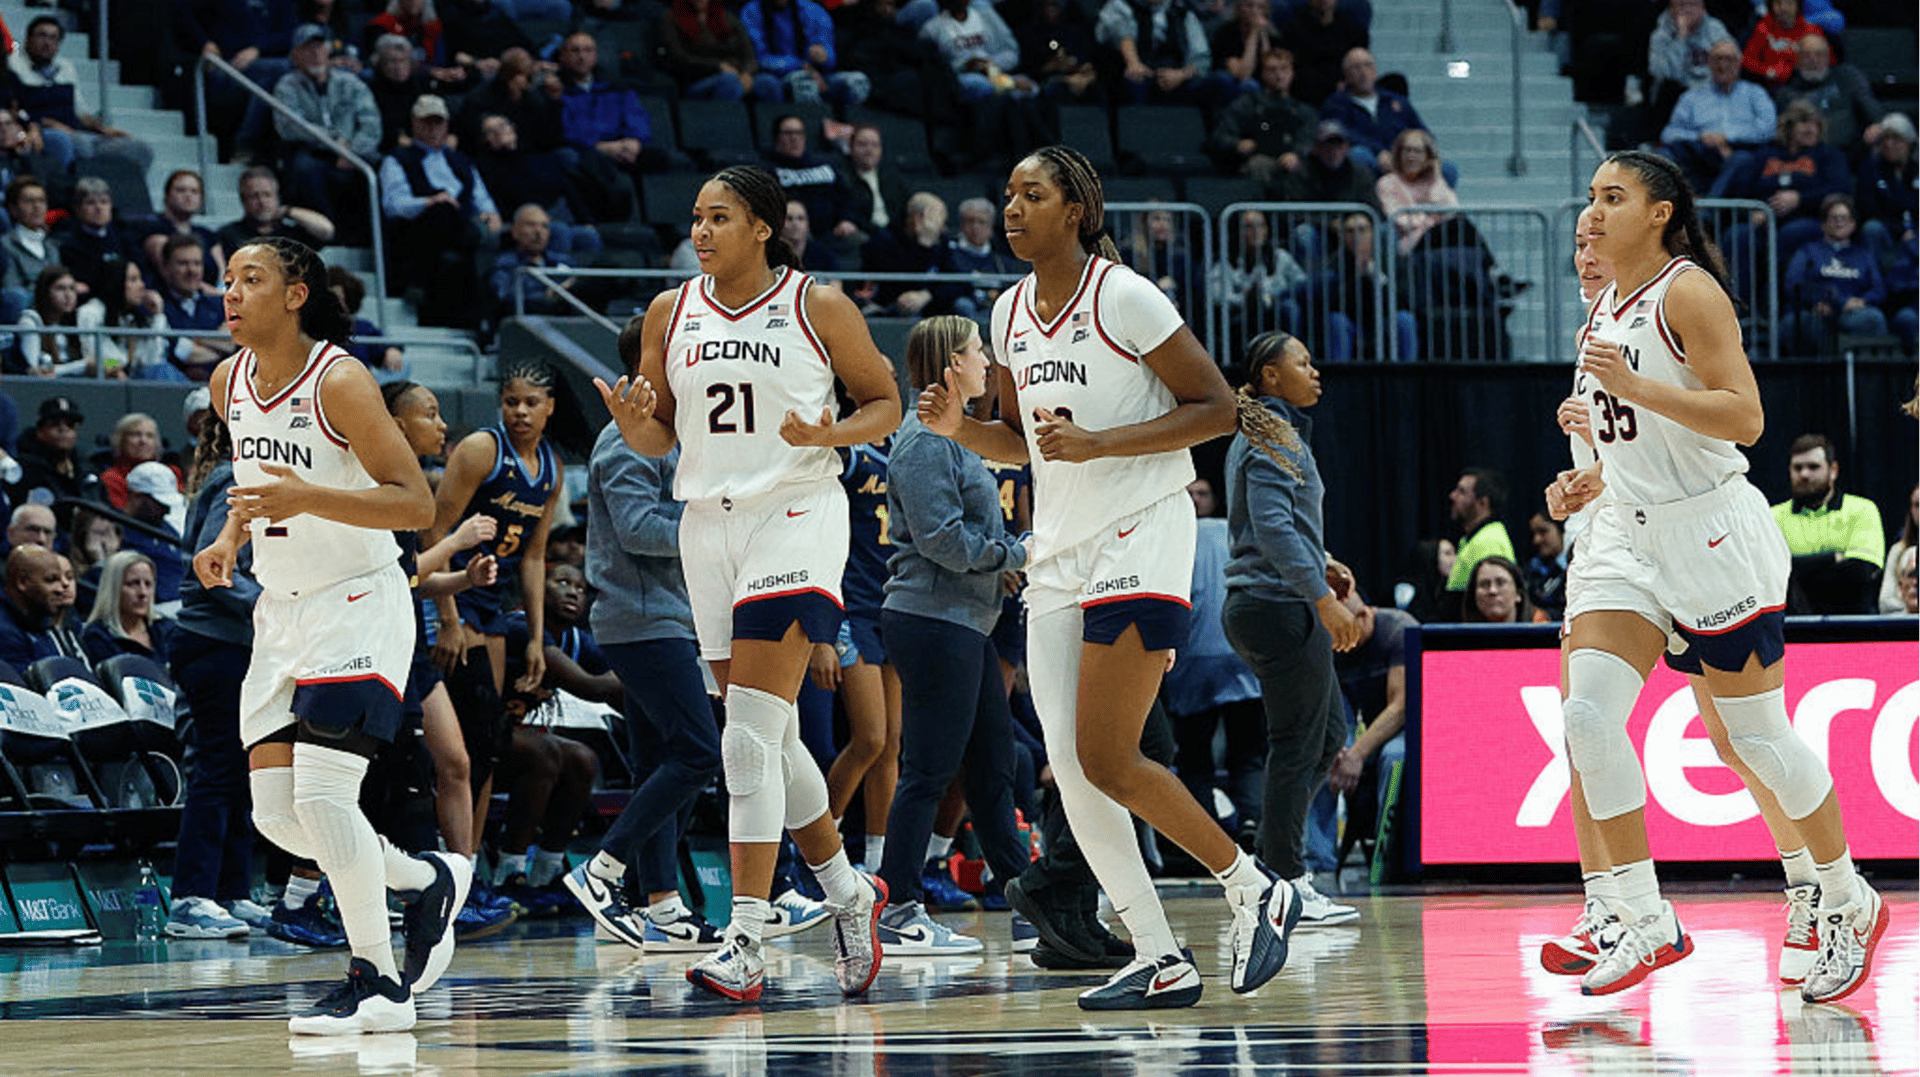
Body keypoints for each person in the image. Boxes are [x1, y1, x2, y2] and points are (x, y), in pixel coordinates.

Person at [915, 145, 1300, 1010]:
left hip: (1140, 531)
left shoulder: (1123, 295)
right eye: (1007, 192)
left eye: (1032, 193)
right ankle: (1159, 954)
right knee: (1071, 764)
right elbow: (1018, 440)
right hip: (1056, 549)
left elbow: (1213, 408)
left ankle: (1253, 886)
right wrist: (956, 430)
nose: (1011, 207)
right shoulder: (1009, 307)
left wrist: (1100, 444)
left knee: (1108, 752)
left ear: (1077, 210)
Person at [1547, 150, 1885, 1002]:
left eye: (1614, 197)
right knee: (1587, 715)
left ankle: (1846, 894)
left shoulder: (1688, 291)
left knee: (1754, 739)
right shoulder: (1601, 310)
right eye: (1592, 197)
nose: (1595, 213)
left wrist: (1636, 392)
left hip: (1713, 537)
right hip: (1635, 535)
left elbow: (1745, 417)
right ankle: (1637, 913)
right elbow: (1636, 440)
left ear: (1659, 213)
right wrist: (1590, 477)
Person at [594, 163, 899, 1002]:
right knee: (763, 734)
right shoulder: (669, 310)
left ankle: (746, 936)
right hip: (707, 525)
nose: (699, 231)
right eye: (694, 217)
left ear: (763, 226)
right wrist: (636, 425)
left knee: (744, 738)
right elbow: (661, 440)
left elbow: (888, 403)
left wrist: (830, 426)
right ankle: (844, 890)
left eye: (718, 217)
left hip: (795, 509)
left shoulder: (818, 305)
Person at [195, 236, 469, 1034]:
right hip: (280, 611)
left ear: (296, 292)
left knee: (324, 794)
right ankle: (422, 881)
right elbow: (255, 489)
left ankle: (377, 981)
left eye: (252, 279)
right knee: (278, 817)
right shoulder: (228, 381)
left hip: (358, 598)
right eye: (227, 280)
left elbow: (415, 505)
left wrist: (309, 495)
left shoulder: (340, 380)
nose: (232, 293)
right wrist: (228, 539)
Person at [561, 345, 745, 950]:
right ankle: (602, 869)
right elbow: (640, 531)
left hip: (663, 618)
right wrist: (715, 531)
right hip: (640, 620)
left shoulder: (665, 441)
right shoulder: (623, 442)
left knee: (656, 763)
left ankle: (662, 906)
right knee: (697, 753)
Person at [868, 314, 1031, 955]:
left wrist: (1000, 566)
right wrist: (1013, 555)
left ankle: (1029, 903)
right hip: (932, 622)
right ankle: (897, 906)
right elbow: (941, 542)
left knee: (996, 767)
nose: (988, 362)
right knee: (928, 771)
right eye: (978, 352)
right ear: (949, 365)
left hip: (967, 622)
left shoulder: (959, 435)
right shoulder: (923, 443)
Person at [1217, 330, 1363, 924]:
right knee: (1297, 744)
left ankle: (1276, 868)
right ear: (1270, 377)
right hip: (1275, 604)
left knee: (1326, 734)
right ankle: (1284, 882)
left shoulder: (1270, 431)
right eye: (1302, 362)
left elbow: (1268, 521)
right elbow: (1272, 529)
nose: (1315, 371)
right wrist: (1321, 598)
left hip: (1272, 598)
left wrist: (1321, 560)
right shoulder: (1272, 432)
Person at [381, 380, 516, 935]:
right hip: (382, 648)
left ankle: (459, 884)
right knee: (385, 782)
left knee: (458, 764)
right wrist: (457, 541)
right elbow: (398, 575)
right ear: (395, 424)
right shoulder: (381, 486)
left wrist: (463, 577)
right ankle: (378, 892)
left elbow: (415, 581)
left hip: (412, 644)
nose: (441, 426)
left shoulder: (412, 484)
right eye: (429, 414)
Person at [426, 361, 565, 855]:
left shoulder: (551, 466)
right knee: (459, 749)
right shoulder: (483, 449)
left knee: (487, 746)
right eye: (512, 401)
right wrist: (448, 618)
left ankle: (469, 867)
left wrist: (535, 637)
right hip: (453, 595)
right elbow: (433, 532)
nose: (520, 411)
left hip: (494, 608)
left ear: (550, 408)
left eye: (531, 403)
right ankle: (449, 864)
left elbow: (532, 557)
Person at [166, 413, 274, 939]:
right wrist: (278, 608)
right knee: (216, 768)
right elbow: (213, 570)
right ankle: (190, 898)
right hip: (214, 641)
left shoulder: (253, 481)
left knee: (238, 769)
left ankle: (232, 891)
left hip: (239, 643)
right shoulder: (236, 480)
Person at [821, 434, 901, 881]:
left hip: (892, 605)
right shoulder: (850, 452)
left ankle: (878, 863)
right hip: (851, 607)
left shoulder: (902, 449)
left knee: (891, 743)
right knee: (869, 738)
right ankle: (819, 850)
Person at [1166, 477, 1264, 843]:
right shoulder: (1236, 534)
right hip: (1242, 653)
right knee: (1248, 752)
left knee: (1194, 756)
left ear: (1213, 499)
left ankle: (1205, 838)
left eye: (1200, 493)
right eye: (1188, 492)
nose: (1194, 498)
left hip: (1192, 657)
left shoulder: (1172, 537)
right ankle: (1253, 823)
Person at [378, 94, 501, 327]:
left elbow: (481, 198)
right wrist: (429, 202)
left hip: (462, 226)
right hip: (419, 228)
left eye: (438, 122)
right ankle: (422, 285)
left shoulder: (461, 161)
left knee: (485, 232)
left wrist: (491, 214)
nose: (433, 128)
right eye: (427, 122)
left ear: (447, 125)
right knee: (442, 212)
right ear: (414, 123)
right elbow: (394, 205)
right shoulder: (397, 159)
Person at [5, 16, 155, 175]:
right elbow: (17, 112)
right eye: (41, 35)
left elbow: (80, 111)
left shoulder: (66, 67)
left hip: (78, 132)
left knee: (140, 149)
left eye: (53, 37)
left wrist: (104, 130)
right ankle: (85, 194)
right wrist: (53, 125)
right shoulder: (14, 66)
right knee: (78, 144)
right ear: (28, 39)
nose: (47, 42)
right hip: (43, 132)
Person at [273, 24, 382, 229]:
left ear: (328, 51)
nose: (315, 53)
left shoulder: (351, 83)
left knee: (385, 166)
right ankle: (328, 230)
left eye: (320, 47)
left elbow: (371, 123)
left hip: (353, 151)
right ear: (295, 55)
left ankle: (374, 238)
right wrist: (334, 141)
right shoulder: (286, 86)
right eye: (308, 48)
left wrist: (353, 151)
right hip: (314, 151)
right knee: (304, 168)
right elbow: (290, 126)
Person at [1769, 432, 1885, 613]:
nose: (1804, 474)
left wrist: (1796, 571)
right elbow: (1770, 576)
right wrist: (1833, 558)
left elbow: (1861, 572)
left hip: (1854, 627)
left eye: (1813, 467)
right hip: (1793, 629)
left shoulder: (1862, 510)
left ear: (1834, 471)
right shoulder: (1772, 516)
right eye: (1797, 468)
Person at [1659, 40, 1776, 197]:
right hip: (1700, 155)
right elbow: (1669, 133)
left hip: (1738, 153)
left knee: (1742, 159)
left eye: (1729, 59)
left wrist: (1726, 137)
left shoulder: (1755, 93)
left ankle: (1706, 213)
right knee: (1663, 156)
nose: (1723, 65)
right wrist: (1702, 137)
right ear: (1708, 62)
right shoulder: (1691, 97)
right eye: (1717, 59)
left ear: (1739, 63)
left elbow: (1768, 128)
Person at [1209, 49, 1317, 200]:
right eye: (1272, 70)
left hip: (1291, 163)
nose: (1279, 75)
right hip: (1257, 161)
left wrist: (1297, 154)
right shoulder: (1247, 104)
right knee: (1258, 165)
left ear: (1292, 73)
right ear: (1263, 74)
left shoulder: (1303, 111)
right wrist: (1238, 144)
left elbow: (1309, 139)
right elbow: (1220, 136)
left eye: (1284, 69)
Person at [1321, 48, 1434, 179]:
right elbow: (1342, 133)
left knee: (1447, 169)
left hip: (1402, 158)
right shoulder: (1336, 103)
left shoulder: (1396, 101)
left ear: (1375, 70)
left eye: (1367, 65)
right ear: (1346, 75)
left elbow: (1422, 133)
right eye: (1356, 67)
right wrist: (1378, 152)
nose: (1363, 72)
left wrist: (1404, 154)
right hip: (1370, 160)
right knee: (1358, 156)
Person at [741, 0, 871, 106]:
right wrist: (800, 65)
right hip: (779, 76)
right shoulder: (752, 11)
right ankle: (812, 126)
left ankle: (852, 132)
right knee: (804, 81)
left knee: (858, 82)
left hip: (821, 75)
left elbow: (830, 56)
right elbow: (759, 58)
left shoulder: (813, 10)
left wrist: (824, 57)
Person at [1775, 34, 1885, 154]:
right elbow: (1782, 131)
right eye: (1806, 55)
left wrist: (1877, 124)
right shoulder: (1786, 93)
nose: (1813, 60)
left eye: (1819, 54)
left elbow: (1870, 107)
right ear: (1797, 59)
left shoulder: (1847, 77)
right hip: (1805, 155)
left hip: (1850, 151)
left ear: (1828, 57)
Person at [1093, 0, 1213, 106]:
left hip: (1176, 75)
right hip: (1133, 73)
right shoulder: (1119, 5)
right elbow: (1121, 34)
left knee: (1220, 82)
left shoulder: (1181, 10)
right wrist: (1134, 63)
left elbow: (1201, 57)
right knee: (1135, 81)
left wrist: (1181, 74)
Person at [659, 0, 779, 102]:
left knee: (769, 83)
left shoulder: (727, 18)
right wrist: (718, 67)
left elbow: (750, 55)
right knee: (729, 82)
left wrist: (746, 73)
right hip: (697, 80)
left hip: (738, 74)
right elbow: (679, 58)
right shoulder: (672, 18)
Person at [157, 233, 234, 380]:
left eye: (197, 263)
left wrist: (192, 339)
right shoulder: (157, 307)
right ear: (166, 267)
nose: (192, 271)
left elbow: (232, 344)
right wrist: (218, 345)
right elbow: (179, 352)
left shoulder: (219, 304)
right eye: (183, 263)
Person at [78, 260, 169, 380]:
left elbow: (152, 361)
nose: (142, 285)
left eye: (140, 279)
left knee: (164, 370)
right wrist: (127, 362)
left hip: (134, 380)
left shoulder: (132, 317)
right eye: (133, 279)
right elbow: (98, 358)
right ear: (116, 282)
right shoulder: (91, 312)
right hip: (103, 380)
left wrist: (158, 315)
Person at [81, 549, 175, 664]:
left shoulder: (166, 629)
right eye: (133, 583)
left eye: (148, 584)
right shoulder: (98, 637)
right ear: (113, 588)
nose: (143, 593)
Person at [216, 167, 336, 258]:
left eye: (267, 195)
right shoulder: (228, 235)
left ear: (277, 198)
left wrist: (288, 211)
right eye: (254, 196)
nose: (262, 202)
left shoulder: (292, 235)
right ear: (243, 200)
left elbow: (327, 230)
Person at [0, 543, 85, 668]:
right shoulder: (5, 632)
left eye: (69, 577)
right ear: (22, 582)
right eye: (51, 580)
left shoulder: (42, 619)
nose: (62, 587)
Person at [1442, 466, 1515, 611]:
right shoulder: (1473, 539)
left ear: (1482, 503)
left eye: (1461, 492)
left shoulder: (1489, 542)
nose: (1452, 496)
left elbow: (1492, 609)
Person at [55, 177, 139, 301]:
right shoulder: (68, 244)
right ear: (78, 209)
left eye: (104, 202)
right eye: (90, 203)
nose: (99, 208)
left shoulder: (124, 238)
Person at [138, 170, 224, 290]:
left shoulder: (207, 234)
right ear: (167, 196)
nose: (188, 195)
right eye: (181, 190)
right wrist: (217, 295)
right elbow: (174, 277)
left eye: (194, 191)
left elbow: (222, 274)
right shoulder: (154, 229)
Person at [1281, 0, 1368, 108]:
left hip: (1343, 87)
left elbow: (1359, 60)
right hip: (1306, 89)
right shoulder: (1293, 29)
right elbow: (1294, 65)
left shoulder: (1353, 30)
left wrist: (1347, 81)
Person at [12, 264, 90, 377]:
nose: (68, 295)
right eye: (60, 288)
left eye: (72, 288)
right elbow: (35, 371)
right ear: (45, 292)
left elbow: (102, 360)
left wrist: (113, 365)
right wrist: (83, 366)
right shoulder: (30, 321)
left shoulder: (79, 319)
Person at [1741, 0, 1820, 90]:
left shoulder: (1811, 30)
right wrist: (1765, 70)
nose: (1783, 8)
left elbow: (1827, 61)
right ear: (1771, 6)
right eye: (1778, 3)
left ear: (1797, 6)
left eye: (1789, 3)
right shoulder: (1762, 28)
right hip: (1771, 87)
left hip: (1808, 84)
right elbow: (1747, 60)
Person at [100, 413, 171, 511]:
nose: (143, 441)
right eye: (135, 435)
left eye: (150, 436)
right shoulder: (112, 479)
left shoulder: (171, 474)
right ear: (121, 440)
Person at [1460, 555, 1541, 623]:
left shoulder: (1541, 628)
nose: (1492, 591)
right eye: (1484, 584)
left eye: (1501, 583)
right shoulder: (1461, 636)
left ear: (1518, 593)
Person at [1880, 482, 1920, 614]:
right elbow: (1885, 603)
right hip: (1905, 622)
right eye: (1917, 505)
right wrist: (1911, 608)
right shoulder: (1898, 550)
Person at [1524, 511, 1569, 619]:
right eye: (1533, 534)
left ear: (1561, 531)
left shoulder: (1578, 566)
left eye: (1543, 532)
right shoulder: (1530, 570)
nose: (1537, 540)